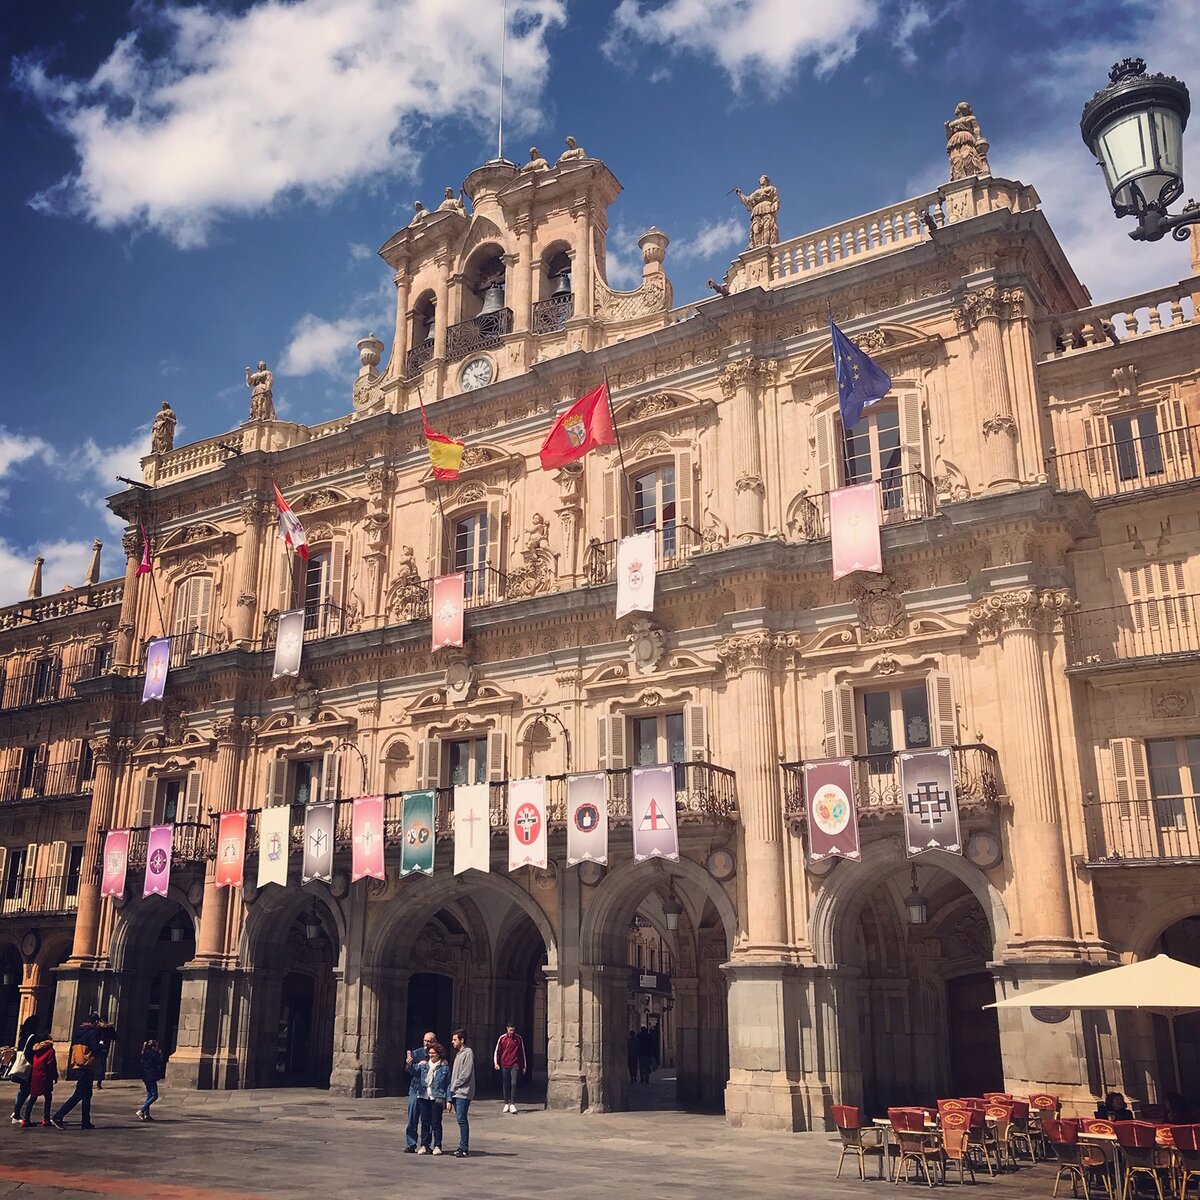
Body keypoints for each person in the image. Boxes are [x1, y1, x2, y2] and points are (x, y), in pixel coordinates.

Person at [52, 1012, 101, 1130]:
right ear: (95, 1022)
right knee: (79, 1093)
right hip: (87, 1065)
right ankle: (58, 1116)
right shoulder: (92, 1032)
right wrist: (101, 1046)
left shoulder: (78, 1032)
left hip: (79, 1064)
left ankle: (86, 1121)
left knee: (87, 1094)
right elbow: (95, 1048)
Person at [411, 1042, 449, 1154]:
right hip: (423, 1096)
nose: (431, 1055)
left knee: (436, 1122)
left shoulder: (444, 1067)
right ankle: (424, 1145)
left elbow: (448, 1084)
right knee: (424, 1122)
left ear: (438, 1054)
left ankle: (437, 1145)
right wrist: (410, 1065)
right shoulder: (424, 1065)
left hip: (437, 1097)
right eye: (430, 1053)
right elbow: (415, 1073)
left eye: (433, 1053)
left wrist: (449, 1099)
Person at [403, 1031, 436, 1153]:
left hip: (428, 1091)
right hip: (415, 1088)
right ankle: (411, 1144)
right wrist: (410, 1064)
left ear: (434, 1042)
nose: (427, 1043)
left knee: (427, 1119)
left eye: (429, 1041)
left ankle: (425, 1144)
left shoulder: (436, 1054)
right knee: (412, 1117)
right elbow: (409, 1070)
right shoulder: (417, 1053)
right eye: (425, 1040)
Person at [20, 1030, 58, 1127]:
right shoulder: (50, 1050)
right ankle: (46, 1119)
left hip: (35, 1075)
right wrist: (55, 1075)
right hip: (45, 1076)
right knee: (48, 1097)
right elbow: (51, 1064)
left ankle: (26, 1118)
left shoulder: (37, 1050)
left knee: (33, 1097)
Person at [448, 1029, 475, 1158]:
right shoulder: (459, 1054)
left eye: (455, 1039)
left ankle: (464, 1147)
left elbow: (466, 1073)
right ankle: (462, 1145)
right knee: (460, 1119)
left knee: (462, 1119)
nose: (452, 1042)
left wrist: (455, 1085)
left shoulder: (467, 1053)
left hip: (463, 1092)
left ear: (461, 1040)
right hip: (456, 1092)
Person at [10, 1015, 39, 1124]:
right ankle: (18, 1114)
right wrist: (33, 1063)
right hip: (28, 1067)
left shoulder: (23, 1036)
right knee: (27, 1091)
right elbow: (28, 1053)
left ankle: (16, 1113)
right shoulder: (32, 1037)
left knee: (22, 1091)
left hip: (23, 1065)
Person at [493, 1022, 526, 1114]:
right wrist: (496, 1063)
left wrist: (523, 1066)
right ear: (507, 1029)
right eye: (510, 1030)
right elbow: (497, 1051)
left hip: (515, 1063)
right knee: (505, 1083)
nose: (512, 1032)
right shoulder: (502, 1038)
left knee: (514, 1082)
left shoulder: (518, 1038)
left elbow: (522, 1052)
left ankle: (512, 1103)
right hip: (504, 1063)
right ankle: (506, 1103)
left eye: (513, 1030)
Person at [136, 1039, 164, 1122]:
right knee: (155, 1096)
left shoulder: (145, 1053)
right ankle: (142, 1110)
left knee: (149, 1094)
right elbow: (160, 1062)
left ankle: (147, 1115)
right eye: (157, 1046)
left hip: (145, 1075)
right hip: (151, 1075)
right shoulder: (153, 1054)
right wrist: (160, 1054)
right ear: (153, 1047)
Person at [93, 1017, 117, 1089]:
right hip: (105, 1048)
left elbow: (94, 1037)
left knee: (93, 1065)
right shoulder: (110, 1028)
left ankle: (91, 1081)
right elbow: (115, 1037)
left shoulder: (97, 1028)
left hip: (97, 1048)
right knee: (102, 1065)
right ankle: (99, 1083)